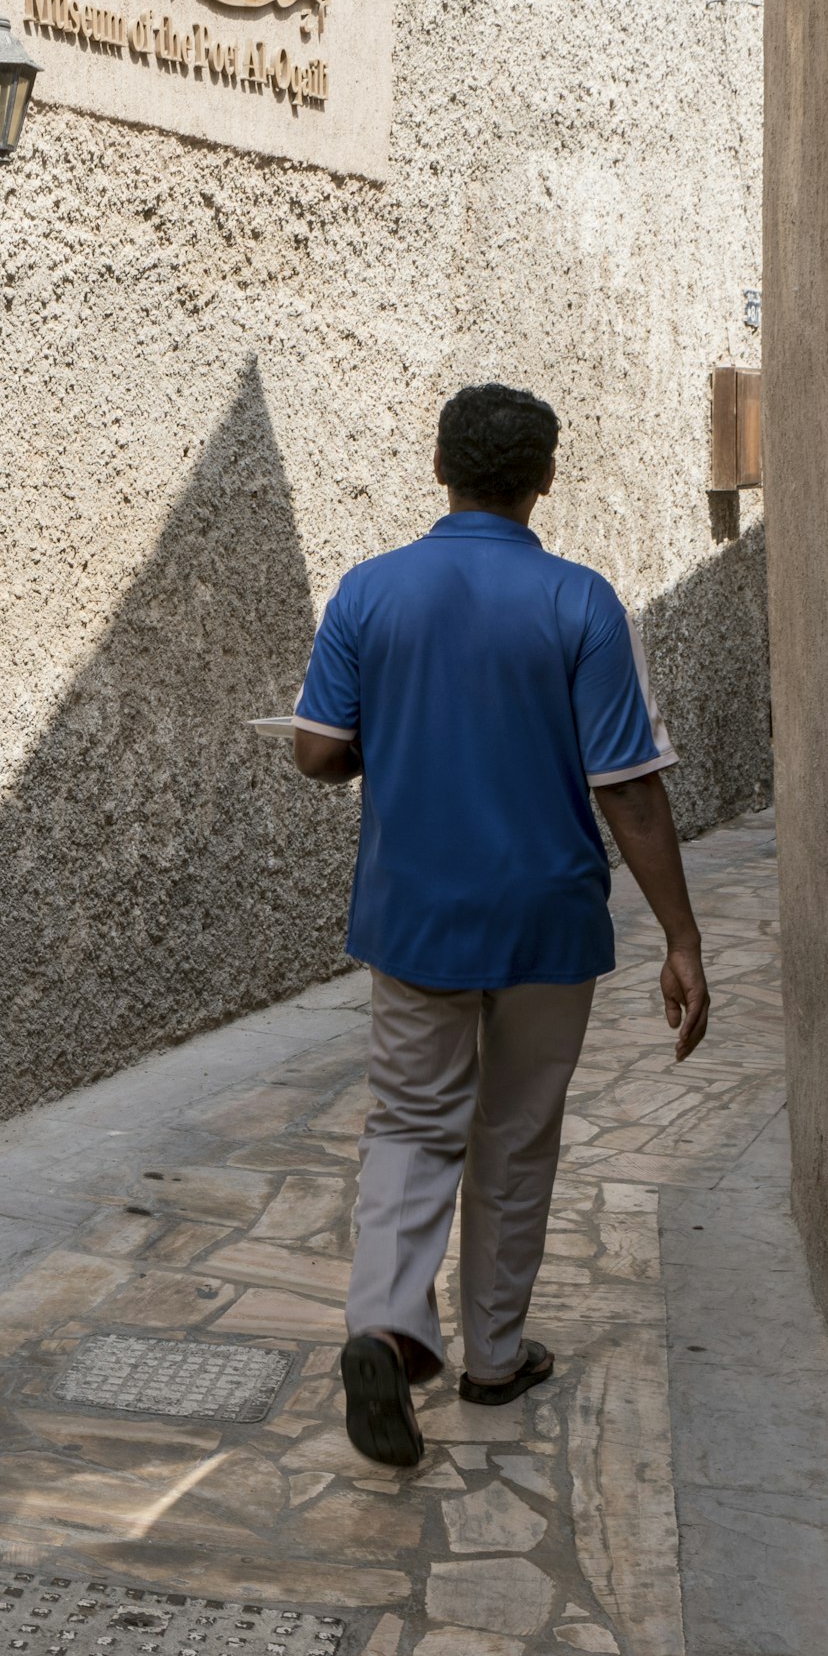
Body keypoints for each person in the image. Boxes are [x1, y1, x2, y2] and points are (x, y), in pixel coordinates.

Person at [282, 382, 708, 1469]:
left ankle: (385, 1324)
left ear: (440, 467)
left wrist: (399, 729)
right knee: (514, 1135)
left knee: (413, 1123)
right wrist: (681, 937)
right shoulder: (580, 602)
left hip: (416, 914)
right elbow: (630, 789)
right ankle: (495, 1355)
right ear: (545, 479)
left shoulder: (370, 593)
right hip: (546, 919)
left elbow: (318, 751)